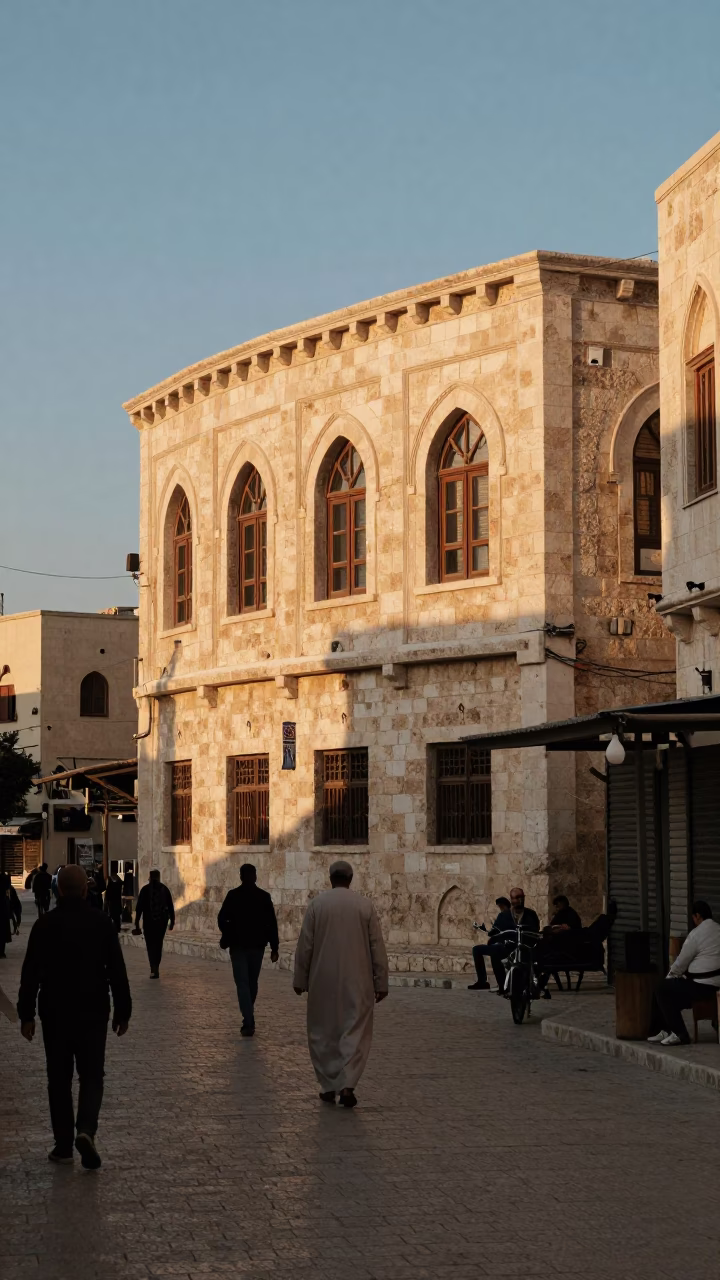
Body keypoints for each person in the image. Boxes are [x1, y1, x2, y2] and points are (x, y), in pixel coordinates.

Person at [16, 864, 132, 1168]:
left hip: (55, 1010)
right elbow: (117, 971)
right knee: (92, 1075)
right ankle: (86, 1129)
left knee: (59, 1078)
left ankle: (64, 1145)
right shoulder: (102, 923)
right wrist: (123, 1010)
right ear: (85, 889)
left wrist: (26, 1014)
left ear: (57, 890)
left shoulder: (44, 925)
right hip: (93, 1009)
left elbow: (30, 974)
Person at [293, 860, 389, 1108]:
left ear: (330, 878)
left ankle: (328, 1085)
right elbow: (376, 946)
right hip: (358, 981)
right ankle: (348, 1085)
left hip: (322, 980)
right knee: (354, 1030)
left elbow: (306, 945)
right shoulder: (364, 906)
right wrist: (381, 981)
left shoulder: (317, 905)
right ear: (351, 878)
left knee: (323, 1031)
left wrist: (300, 979)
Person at [217, 863, 280, 1037]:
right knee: (251, 982)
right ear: (255, 876)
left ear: (241, 876)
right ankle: (248, 1018)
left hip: (239, 946)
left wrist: (227, 934)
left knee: (243, 983)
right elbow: (271, 924)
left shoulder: (233, 896)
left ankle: (248, 1018)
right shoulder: (264, 897)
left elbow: (222, 919)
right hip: (256, 946)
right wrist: (274, 947)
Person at [648, 901, 720, 1047]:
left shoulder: (696, 934)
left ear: (697, 916)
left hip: (702, 986)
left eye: (693, 917)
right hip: (715, 985)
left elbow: (681, 962)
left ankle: (680, 1034)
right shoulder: (718, 929)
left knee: (662, 988)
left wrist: (670, 976)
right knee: (669, 994)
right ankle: (664, 1030)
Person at [469, 886, 541, 992]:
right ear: (511, 899)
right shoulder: (504, 915)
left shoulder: (531, 914)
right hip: (508, 946)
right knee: (480, 950)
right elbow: (495, 931)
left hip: (525, 947)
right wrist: (489, 932)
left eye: (520, 897)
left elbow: (535, 931)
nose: (518, 900)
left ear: (524, 898)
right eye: (515, 898)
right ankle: (488, 983)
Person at [134, 869, 175, 978]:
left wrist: (137, 924)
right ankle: (156, 966)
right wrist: (172, 922)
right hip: (161, 923)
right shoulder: (165, 889)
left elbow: (139, 909)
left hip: (148, 922)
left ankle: (153, 967)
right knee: (158, 944)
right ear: (159, 877)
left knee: (150, 945)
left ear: (150, 877)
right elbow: (170, 907)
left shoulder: (145, 890)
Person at [105, 869, 123, 933]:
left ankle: (114, 928)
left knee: (113, 915)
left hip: (113, 902)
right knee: (116, 916)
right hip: (116, 902)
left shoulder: (110, 883)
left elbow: (108, 894)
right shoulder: (119, 883)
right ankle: (117, 928)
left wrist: (107, 901)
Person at [0, 871, 12, 958]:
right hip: (2, 909)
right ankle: (1, 951)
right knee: (2, 930)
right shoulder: (4, 878)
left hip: (3, 909)